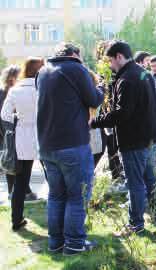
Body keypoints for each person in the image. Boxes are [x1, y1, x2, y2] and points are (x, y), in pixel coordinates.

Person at [90, 40, 156, 237]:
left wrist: (94, 122)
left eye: (111, 61)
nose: (111, 66)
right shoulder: (143, 73)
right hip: (150, 136)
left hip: (135, 139)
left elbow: (122, 113)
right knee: (150, 179)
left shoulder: (127, 79)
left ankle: (135, 224)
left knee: (135, 183)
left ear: (119, 57)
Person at [37, 43, 104, 255]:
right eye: (80, 56)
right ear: (74, 55)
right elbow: (93, 99)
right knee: (77, 196)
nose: (82, 60)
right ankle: (74, 244)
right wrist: (101, 88)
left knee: (56, 196)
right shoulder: (76, 68)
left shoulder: (43, 71)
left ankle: (55, 243)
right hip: (73, 144)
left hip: (47, 145)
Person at [1, 57, 44, 231]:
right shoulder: (43, 88)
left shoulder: (15, 90)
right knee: (54, 177)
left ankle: (16, 220)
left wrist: (18, 119)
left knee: (20, 182)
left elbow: (4, 115)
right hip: (44, 136)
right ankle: (61, 217)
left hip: (23, 138)